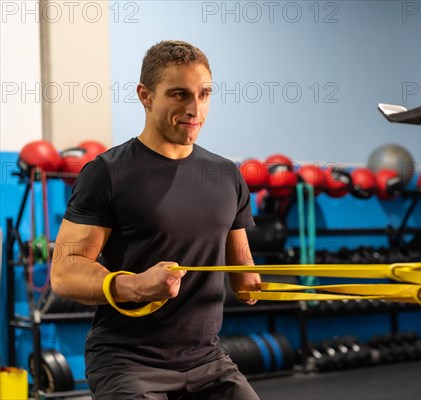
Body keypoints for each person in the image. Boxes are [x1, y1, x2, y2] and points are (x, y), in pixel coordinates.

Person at [50, 40, 262, 399]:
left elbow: (243, 273)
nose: (195, 109)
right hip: (128, 361)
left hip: (207, 360)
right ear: (145, 95)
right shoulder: (108, 172)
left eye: (204, 93)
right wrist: (134, 286)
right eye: (179, 95)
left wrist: (255, 284)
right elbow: (64, 272)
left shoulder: (227, 175)